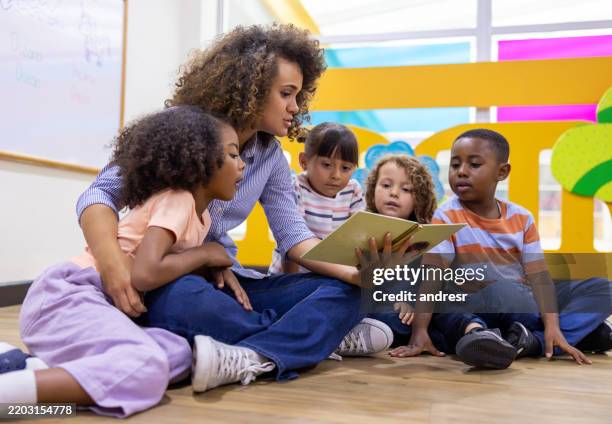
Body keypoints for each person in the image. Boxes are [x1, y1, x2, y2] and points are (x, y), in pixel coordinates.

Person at [75, 24, 387, 394]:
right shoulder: (181, 132)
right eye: (286, 94)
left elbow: (294, 237)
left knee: (354, 293)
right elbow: (98, 195)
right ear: (250, 89)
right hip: (167, 278)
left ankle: (257, 353)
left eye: (298, 96)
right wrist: (112, 264)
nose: (295, 108)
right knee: (190, 302)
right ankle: (314, 338)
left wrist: (352, 274)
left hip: (233, 282)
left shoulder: (270, 156)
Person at [0, 106, 244, 417]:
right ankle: (11, 400)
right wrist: (206, 254)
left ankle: (29, 368)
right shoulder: (179, 200)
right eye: (233, 155)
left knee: (179, 353)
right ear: (201, 162)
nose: (242, 164)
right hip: (67, 296)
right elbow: (145, 274)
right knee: (148, 366)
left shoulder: (203, 216)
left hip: (94, 305)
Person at [391, 128, 612, 367]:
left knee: (603, 288)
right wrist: (419, 330)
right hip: (475, 303)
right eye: (455, 165)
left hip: (520, 303)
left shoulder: (522, 218)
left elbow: (539, 277)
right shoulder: (446, 216)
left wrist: (552, 325)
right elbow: (432, 276)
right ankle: (486, 337)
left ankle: (535, 340)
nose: (462, 172)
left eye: (474, 165)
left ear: (502, 172)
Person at [357, 155, 515, 368]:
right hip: (388, 314)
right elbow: (359, 282)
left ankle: (477, 335)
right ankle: (476, 337)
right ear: (372, 189)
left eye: (406, 189)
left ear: (419, 199)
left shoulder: (425, 238)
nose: (394, 193)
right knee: (395, 321)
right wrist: (396, 301)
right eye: (386, 185)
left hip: (427, 310)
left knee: (448, 306)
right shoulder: (362, 235)